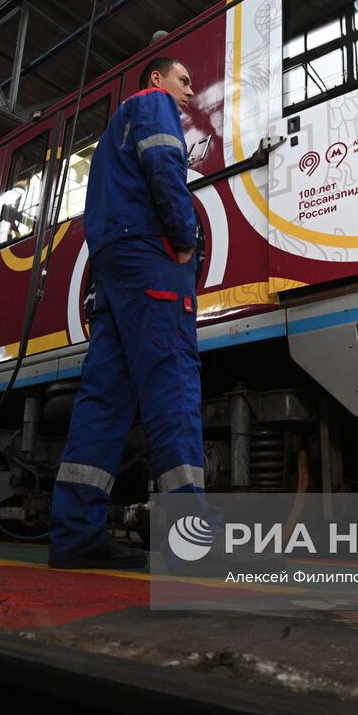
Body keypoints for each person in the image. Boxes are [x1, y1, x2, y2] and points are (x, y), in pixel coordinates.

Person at [49, 56, 216, 569]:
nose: (188, 92)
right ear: (156, 80)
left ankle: (76, 536)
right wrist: (185, 239)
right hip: (149, 259)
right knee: (171, 382)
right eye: (183, 80)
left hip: (112, 267)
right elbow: (167, 168)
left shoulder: (110, 138)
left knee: (105, 395)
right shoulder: (152, 106)